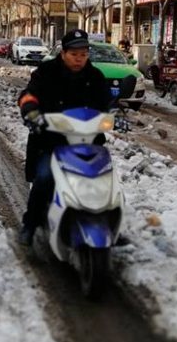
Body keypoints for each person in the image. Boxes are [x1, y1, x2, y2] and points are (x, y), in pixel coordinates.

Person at [17, 29, 112, 245]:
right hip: (51, 142)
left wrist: (117, 114)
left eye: (83, 55)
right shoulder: (46, 72)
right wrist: (32, 112)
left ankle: (109, 223)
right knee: (44, 178)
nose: (79, 59)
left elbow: (106, 103)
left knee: (105, 180)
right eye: (74, 54)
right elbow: (28, 94)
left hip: (88, 142)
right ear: (63, 53)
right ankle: (30, 224)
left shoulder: (95, 76)